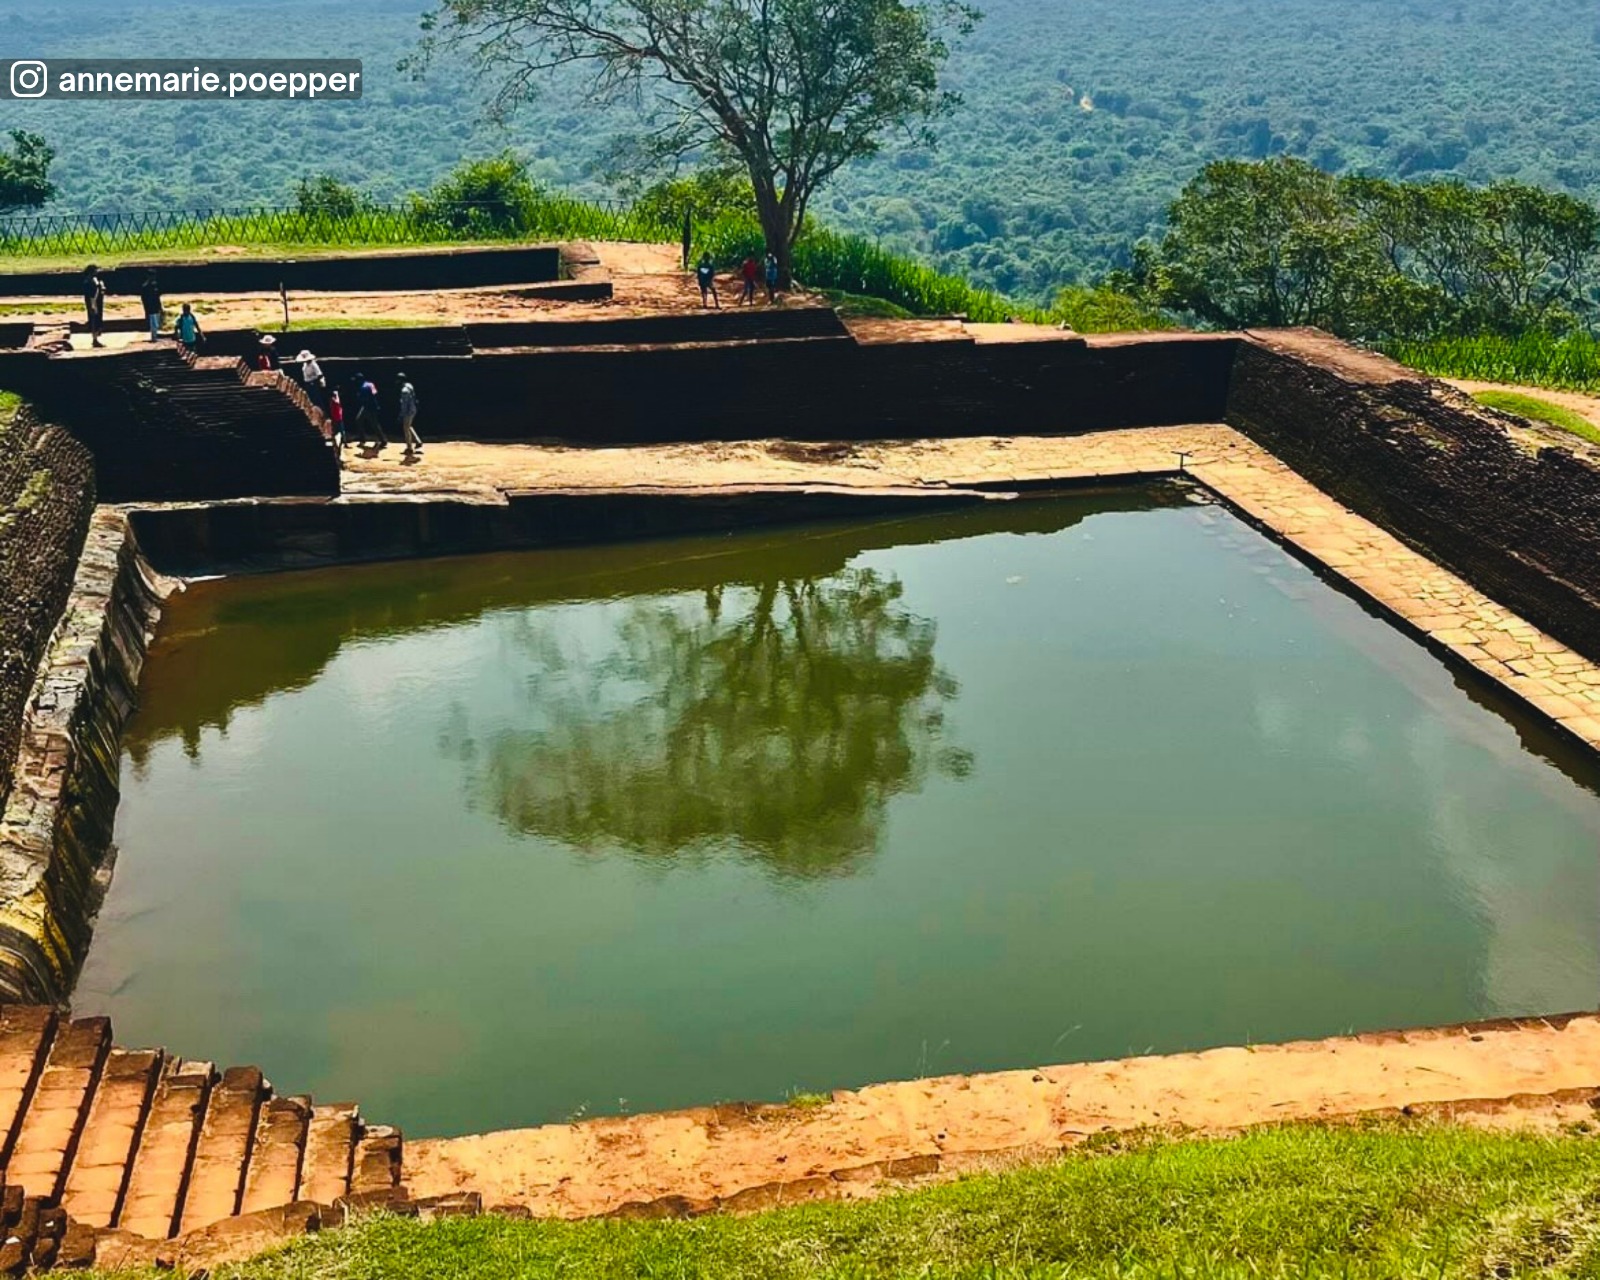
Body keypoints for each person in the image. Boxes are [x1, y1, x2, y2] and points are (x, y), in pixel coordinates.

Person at [353, 371, 387, 449]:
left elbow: (364, 399)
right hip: (371, 406)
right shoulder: (370, 384)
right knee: (359, 420)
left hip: (369, 407)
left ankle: (383, 440)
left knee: (374, 424)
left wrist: (359, 397)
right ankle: (362, 438)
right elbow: (375, 394)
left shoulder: (363, 387)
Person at [397, 371, 422, 458]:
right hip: (413, 409)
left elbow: (405, 405)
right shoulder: (409, 385)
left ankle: (409, 448)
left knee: (406, 429)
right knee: (409, 426)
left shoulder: (404, 390)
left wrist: (401, 415)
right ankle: (418, 441)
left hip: (408, 411)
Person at [82, 265, 106, 349]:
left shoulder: (90, 280)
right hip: (94, 302)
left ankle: (95, 338)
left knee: (95, 319)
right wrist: (93, 304)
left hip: (94, 302)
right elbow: (93, 294)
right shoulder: (91, 281)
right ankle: (95, 339)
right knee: (94, 320)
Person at [139, 272, 163, 341]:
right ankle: (154, 337)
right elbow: (144, 298)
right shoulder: (146, 287)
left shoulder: (154, 286)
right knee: (154, 323)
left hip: (155, 306)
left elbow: (158, 297)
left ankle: (155, 336)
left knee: (156, 323)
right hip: (151, 307)